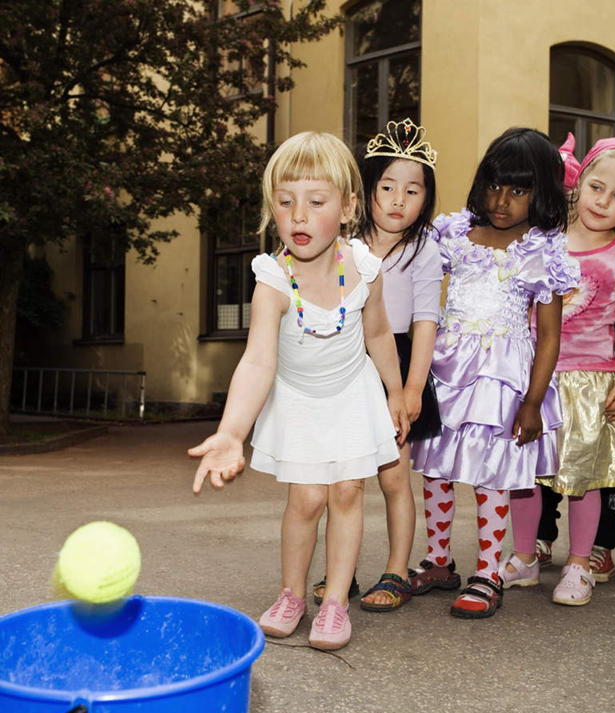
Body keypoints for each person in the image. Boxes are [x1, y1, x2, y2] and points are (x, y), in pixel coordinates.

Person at [188, 131, 409, 650]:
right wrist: (231, 431)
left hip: (352, 392)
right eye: (286, 203)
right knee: (308, 498)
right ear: (272, 210)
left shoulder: (362, 268)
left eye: (316, 201)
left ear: (349, 206)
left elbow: (377, 334)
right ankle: (292, 593)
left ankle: (334, 601)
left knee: (349, 492)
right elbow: (259, 359)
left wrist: (395, 392)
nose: (299, 216)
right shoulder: (272, 279)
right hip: (301, 399)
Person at [409, 127, 580, 619]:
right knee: (435, 468)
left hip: (503, 379)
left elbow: (549, 336)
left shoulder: (543, 250)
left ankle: (488, 572)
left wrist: (532, 400)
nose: (501, 201)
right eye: (494, 186)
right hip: (447, 370)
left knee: (493, 475)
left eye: (519, 190)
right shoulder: (453, 233)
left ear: (541, 193)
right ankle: (438, 560)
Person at [505, 133, 615, 605]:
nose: (603, 201)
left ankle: (578, 564)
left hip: (592, 379)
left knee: (583, 479)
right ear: (579, 183)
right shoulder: (543, 241)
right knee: (524, 474)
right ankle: (525, 556)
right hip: (535, 379)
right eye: (596, 187)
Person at [311, 118, 442, 612]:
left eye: (412, 190)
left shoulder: (425, 249)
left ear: (425, 198)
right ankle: (338, 570)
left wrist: (411, 388)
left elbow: (426, 322)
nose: (397, 200)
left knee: (393, 474)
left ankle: (396, 568)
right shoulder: (345, 242)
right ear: (367, 189)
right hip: (346, 357)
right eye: (387, 186)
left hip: (401, 359)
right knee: (343, 476)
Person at [535, 295, 615, 580]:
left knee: (603, 439)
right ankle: (540, 534)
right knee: (547, 435)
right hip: (557, 316)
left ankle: (601, 541)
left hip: (609, 323)